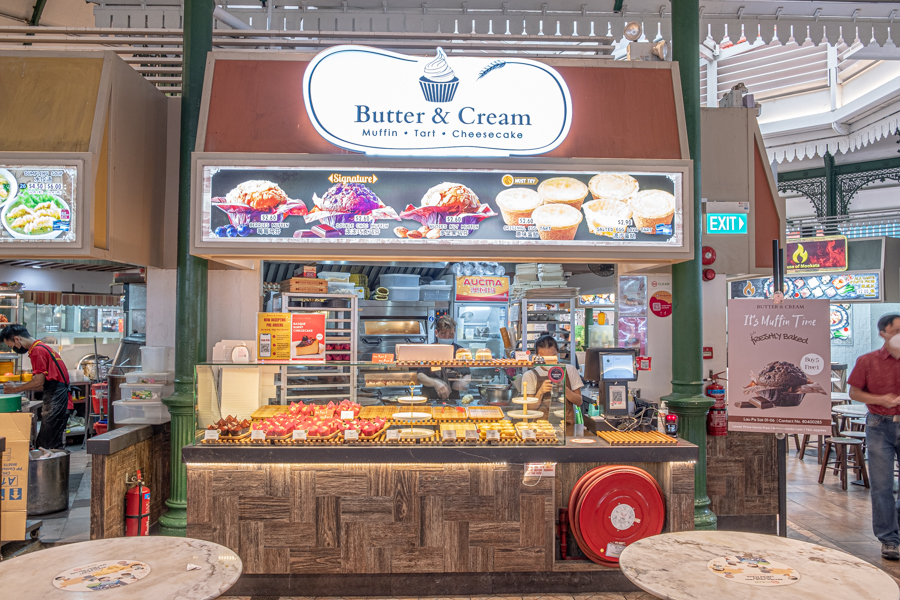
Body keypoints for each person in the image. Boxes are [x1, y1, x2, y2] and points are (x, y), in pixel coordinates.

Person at [848, 313, 900, 560]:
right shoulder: (868, 361)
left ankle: (895, 523)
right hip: (879, 424)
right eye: (897, 330)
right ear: (884, 334)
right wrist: (881, 399)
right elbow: (855, 393)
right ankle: (888, 539)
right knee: (882, 485)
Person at [0, 324, 73, 450]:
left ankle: (52, 469)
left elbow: (38, 382)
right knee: (51, 442)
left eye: (12, 346)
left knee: (47, 445)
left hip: (56, 398)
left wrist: (14, 389)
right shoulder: (42, 347)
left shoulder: (37, 351)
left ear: (17, 339)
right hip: (58, 397)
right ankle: (56, 468)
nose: (14, 349)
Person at [517, 334, 585, 435]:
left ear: (557, 352)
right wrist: (540, 392)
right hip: (540, 429)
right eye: (544, 357)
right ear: (536, 355)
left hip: (567, 426)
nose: (549, 361)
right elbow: (529, 409)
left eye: (552, 356)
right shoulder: (530, 375)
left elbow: (579, 401)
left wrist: (564, 388)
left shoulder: (570, 370)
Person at [416, 316, 471, 401]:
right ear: (436, 333)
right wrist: (435, 383)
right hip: (430, 399)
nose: (447, 338)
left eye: (451, 334)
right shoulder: (428, 351)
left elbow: (467, 374)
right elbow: (420, 376)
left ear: (455, 333)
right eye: (443, 334)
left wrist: (463, 382)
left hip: (454, 400)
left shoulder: (460, 352)